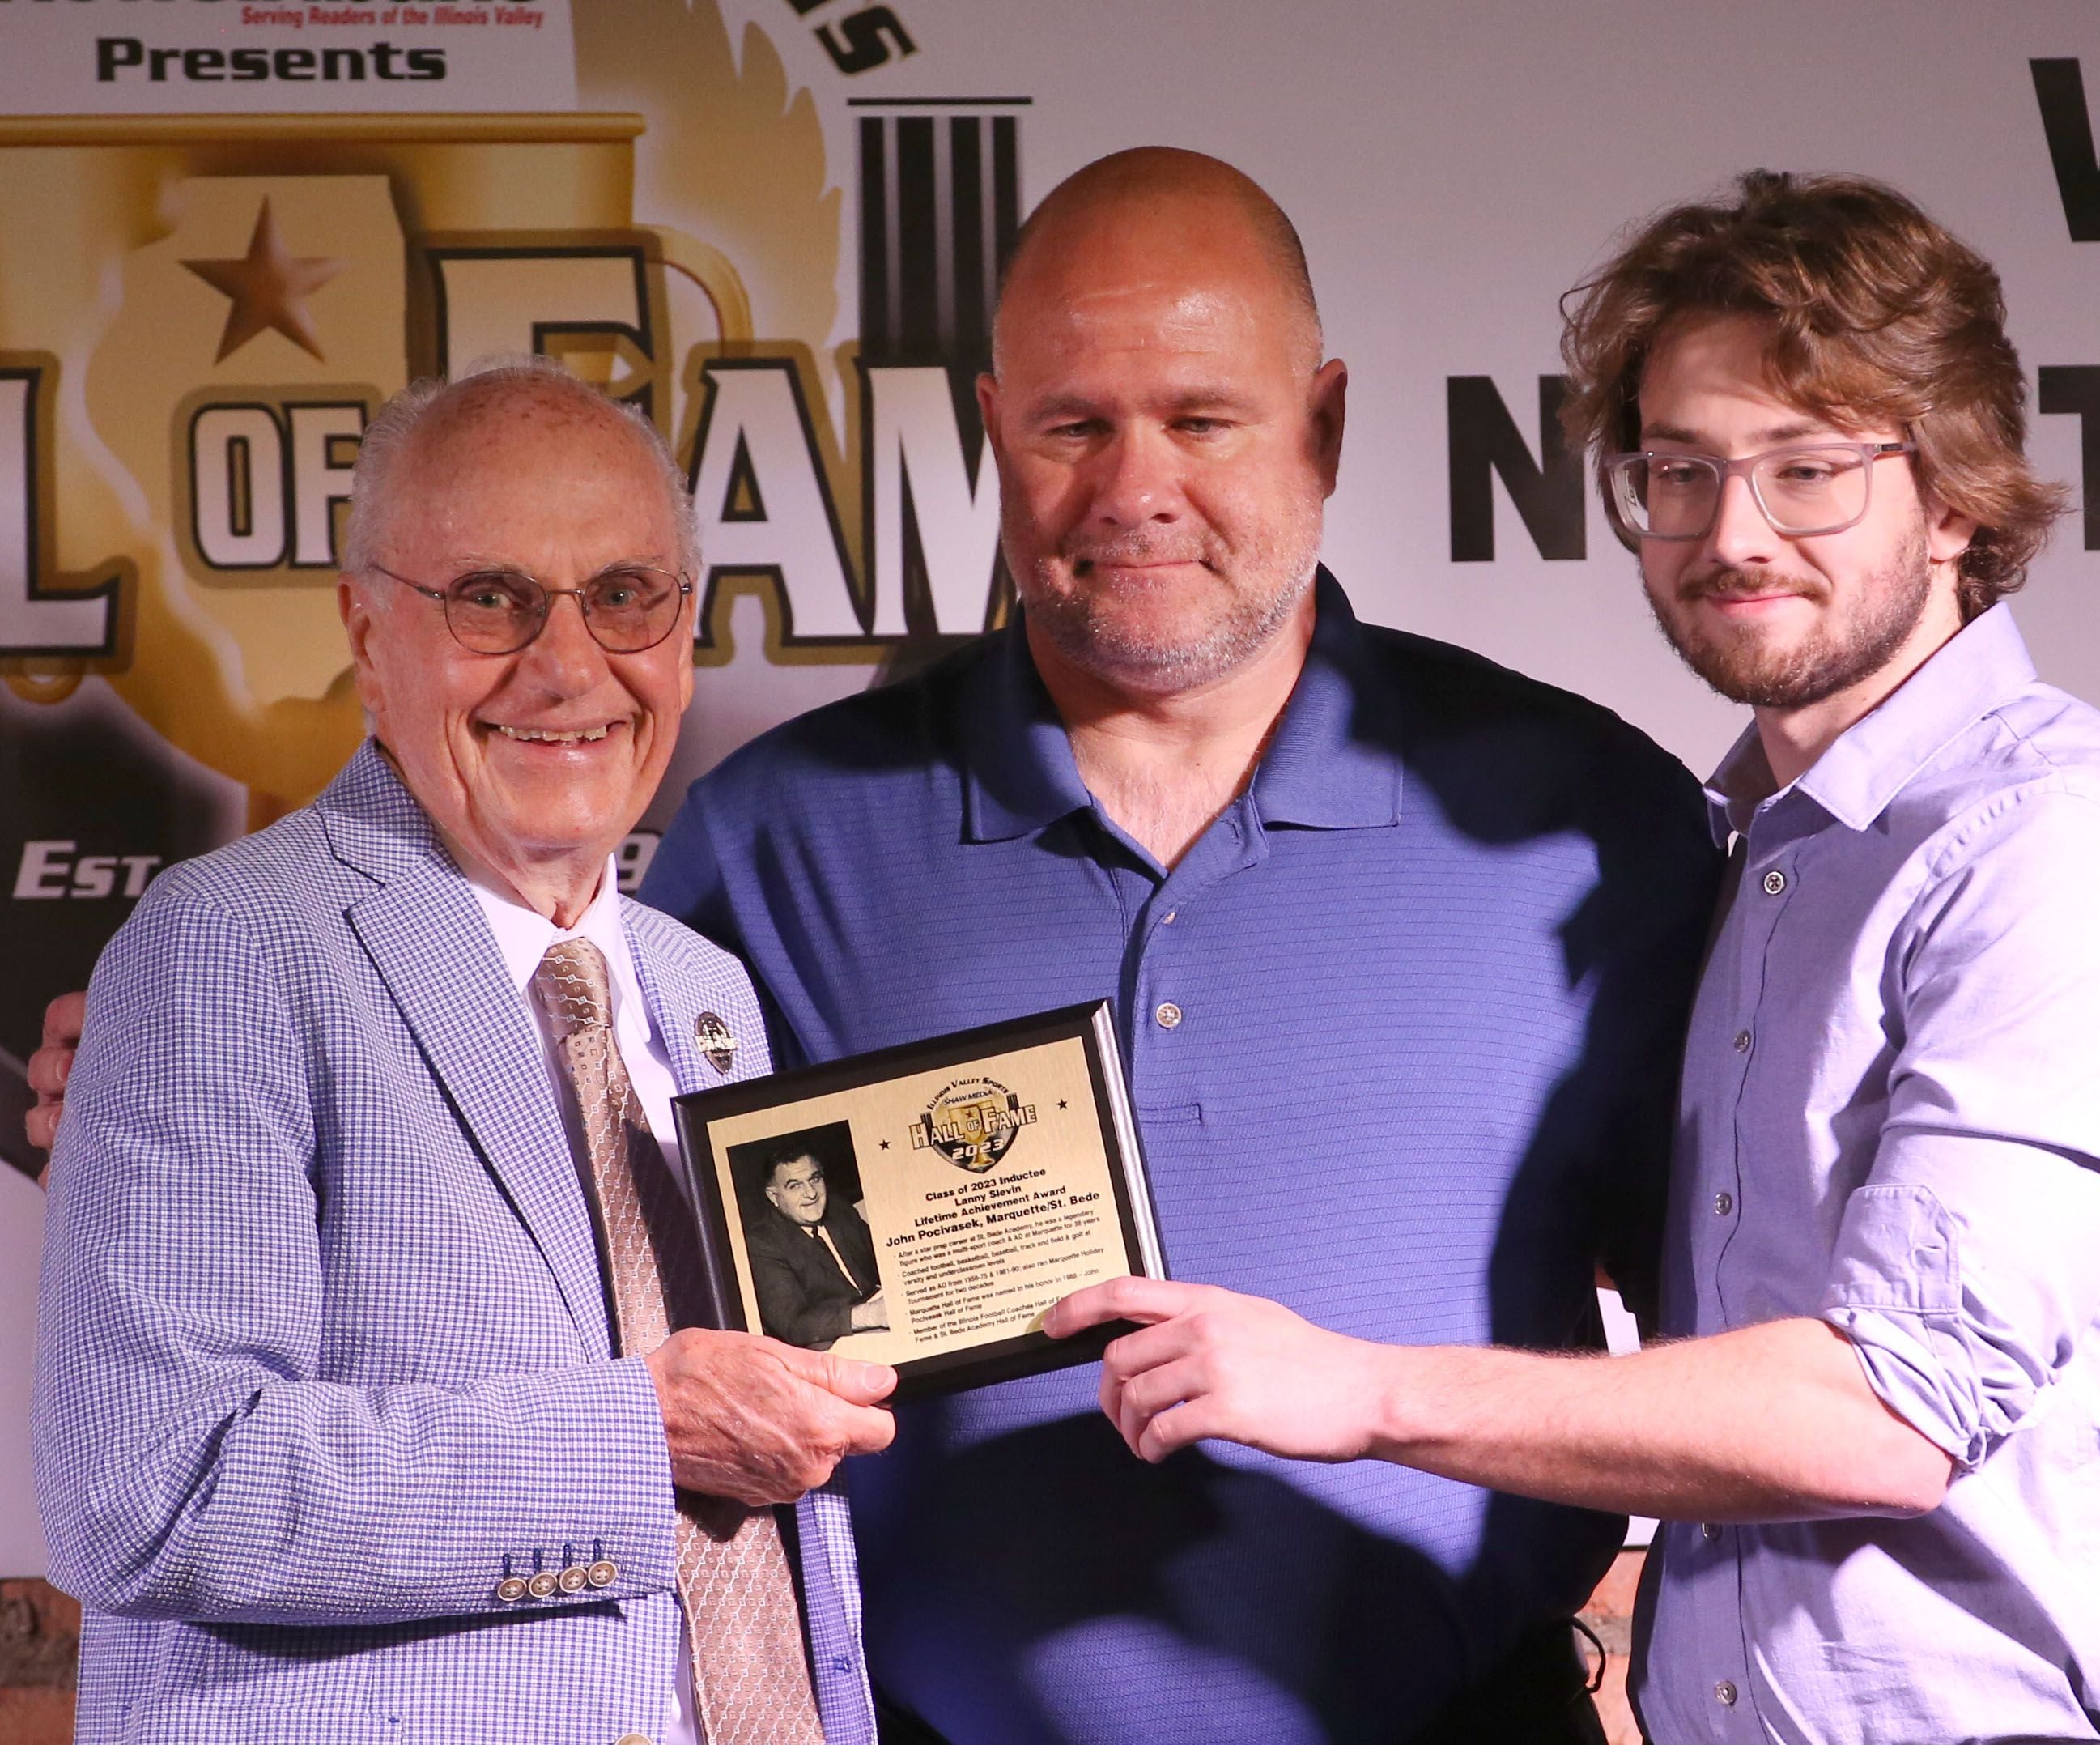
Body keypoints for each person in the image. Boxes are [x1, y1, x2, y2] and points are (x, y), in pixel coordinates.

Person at [1046, 171, 2100, 1743]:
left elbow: (1888, 1407)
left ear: (1955, 496)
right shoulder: (1746, 857)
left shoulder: (2054, 855)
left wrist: (1358, 1390)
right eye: (1679, 470)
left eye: (1805, 471)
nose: (1730, 535)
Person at [640, 147, 1720, 1744]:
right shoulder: (772, 838)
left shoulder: (1579, 815)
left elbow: (1730, 1343)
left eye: (1199, 420)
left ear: (1325, 426)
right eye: (1073, 425)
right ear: (993, 433)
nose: (1133, 487)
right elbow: (604, 1341)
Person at [35, 360, 897, 1745]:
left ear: (681, 633)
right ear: (369, 636)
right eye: (491, 598)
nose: (565, 666)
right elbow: (153, 1486)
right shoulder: (227, 948)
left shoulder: (705, 987)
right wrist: (640, 1440)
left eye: (623, 595)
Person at [749, 1147, 887, 1350]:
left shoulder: (838, 1208)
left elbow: (880, 1258)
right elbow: (793, 1325)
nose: (811, 1193)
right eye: (795, 1186)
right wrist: (871, 1314)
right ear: (773, 1196)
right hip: (829, 1341)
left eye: (815, 1179)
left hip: (878, 1311)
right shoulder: (761, 1243)